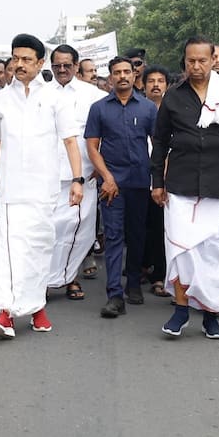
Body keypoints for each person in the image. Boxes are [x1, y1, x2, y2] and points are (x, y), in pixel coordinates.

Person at [152, 36, 219, 340]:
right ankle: (181, 309)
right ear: (184, 62)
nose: (196, 66)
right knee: (180, 250)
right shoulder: (174, 96)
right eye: (191, 61)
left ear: (213, 60)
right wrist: (157, 183)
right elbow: (160, 142)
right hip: (180, 185)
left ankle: (211, 314)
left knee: (213, 252)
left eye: (202, 60)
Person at [0, 33, 83, 339]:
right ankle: (5, 313)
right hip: (10, 190)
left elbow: (69, 141)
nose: (20, 64)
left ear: (40, 63)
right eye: (16, 58)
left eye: (27, 59)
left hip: (44, 189)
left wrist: (77, 180)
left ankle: (37, 307)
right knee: (9, 252)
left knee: (39, 248)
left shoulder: (56, 98)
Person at [86, 56, 157, 317]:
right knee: (114, 236)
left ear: (134, 75)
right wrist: (107, 176)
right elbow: (92, 146)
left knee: (137, 234)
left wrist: (158, 180)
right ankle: (114, 294)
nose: (123, 76)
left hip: (140, 181)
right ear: (111, 77)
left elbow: (158, 144)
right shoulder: (99, 108)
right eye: (117, 72)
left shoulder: (148, 108)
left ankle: (134, 282)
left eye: (127, 71)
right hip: (111, 184)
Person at [46, 45, 106, 302]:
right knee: (50, 230)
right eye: (57, 65)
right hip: (47, 175)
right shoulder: (40, 93)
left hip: (82, 175)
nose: (62, 70)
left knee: (79, 231)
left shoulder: (92, 95)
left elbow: (102, 134)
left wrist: (98, 167)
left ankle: (70, 277)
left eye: (67, 65)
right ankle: (47, 280)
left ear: (76, 65)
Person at [142, 65, 171, 297]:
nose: (156, 85)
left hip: (165, 178)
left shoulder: (172, 112)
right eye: (151, 80)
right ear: (143, 85)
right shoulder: (138, 109)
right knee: (143, 227)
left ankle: (160, 275)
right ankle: (142, 266)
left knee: (163, 228)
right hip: (140, 177)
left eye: (160, 80)